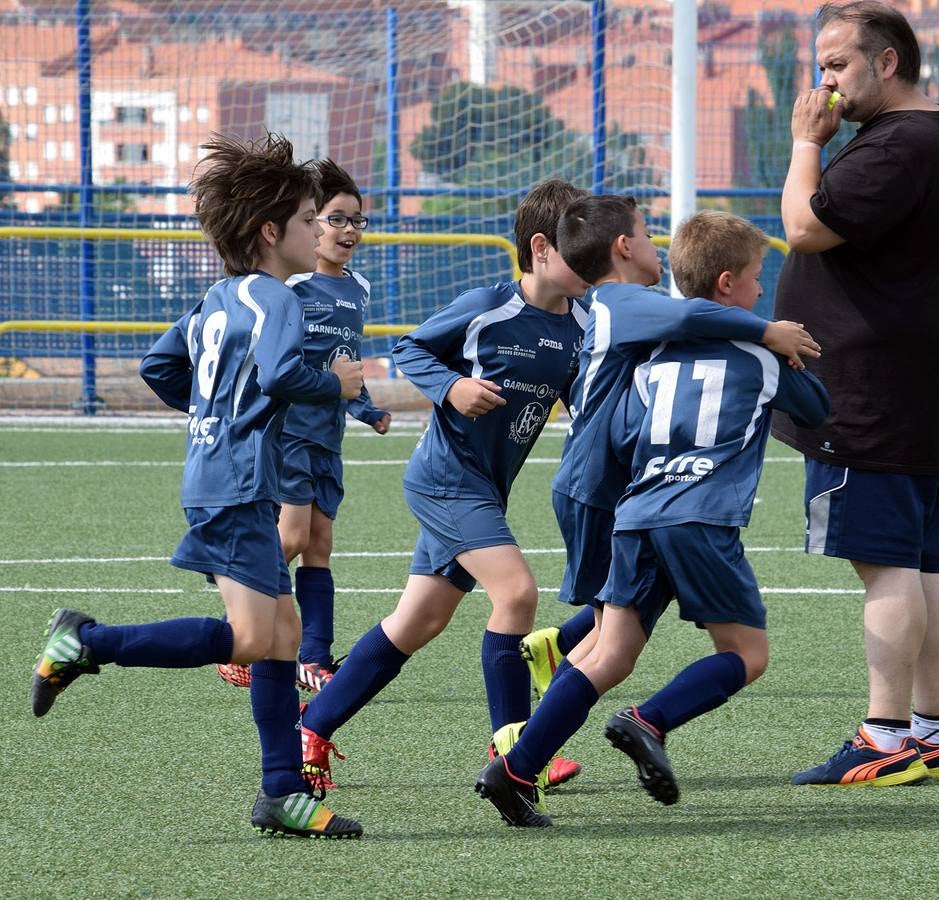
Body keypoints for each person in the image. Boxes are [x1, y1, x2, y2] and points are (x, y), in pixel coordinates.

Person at [30, 133, 365, 839]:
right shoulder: (277, 299)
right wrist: (330, 385)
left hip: (223, 472)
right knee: (251, 638)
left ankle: (281, 792)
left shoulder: (216, 297)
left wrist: (216, 413)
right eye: (309, 221)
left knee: (284, 634)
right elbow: (279, 378)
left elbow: (160, 366)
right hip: (237, 483)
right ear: (273, 232)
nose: (318, 232)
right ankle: (88, 642)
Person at [475, 210, 829, 827]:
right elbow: (817, 409)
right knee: (746, 652)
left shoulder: (651, 355)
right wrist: (781, 350)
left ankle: (513, 769)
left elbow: (625, 433)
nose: (760, 292)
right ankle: (649, 719)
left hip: (636, 511)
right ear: (726, 285)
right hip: (701, 515)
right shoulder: (759, 351)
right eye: (755, 278)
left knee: (607, 652)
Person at [296, 179, 592, 796]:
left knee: (418, 620)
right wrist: (453, 388)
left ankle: (313, 726)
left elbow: (585, 401)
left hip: (486, 487)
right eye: (580, 251)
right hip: (446, 480)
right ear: (541, 250)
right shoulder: (490, 305)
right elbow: (410, 349)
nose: (593, 265)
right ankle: (514, 744)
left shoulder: (582, 326)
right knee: (516, 593)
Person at [778, 1, 939, 786]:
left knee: (885, 568)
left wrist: (806, 144)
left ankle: (882, 738)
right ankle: (936, 731)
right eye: (820, 68)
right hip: (916, 390)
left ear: (885, 63)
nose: (823, 83)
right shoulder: (933, 133)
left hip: (869, 394)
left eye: (837, 65)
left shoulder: (895, 144)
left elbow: (804, 228)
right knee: (916, 564)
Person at [523, 195, 820, 701]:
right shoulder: (620, 299)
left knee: (617, 624)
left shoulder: (627, 306)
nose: (654, 243)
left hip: (607, 481)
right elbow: (692, 317)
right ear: (623, 246)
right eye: (647, 234)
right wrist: (767, 330)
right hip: (595, 483)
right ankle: (521, 745)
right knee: (611, 642)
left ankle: (548, 690)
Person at [215, 160, 390, 695]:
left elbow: (345, 361)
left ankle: (314, 655)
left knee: (320, 543)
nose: (347, 231)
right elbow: (276, 365)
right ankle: (234, 634)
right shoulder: (287, 287)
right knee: (290, 535)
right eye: (334, 219)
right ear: (310, 227)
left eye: (356, 221)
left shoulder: (358, 288)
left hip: (326, 437)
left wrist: (366, 408)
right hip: (287, 434)